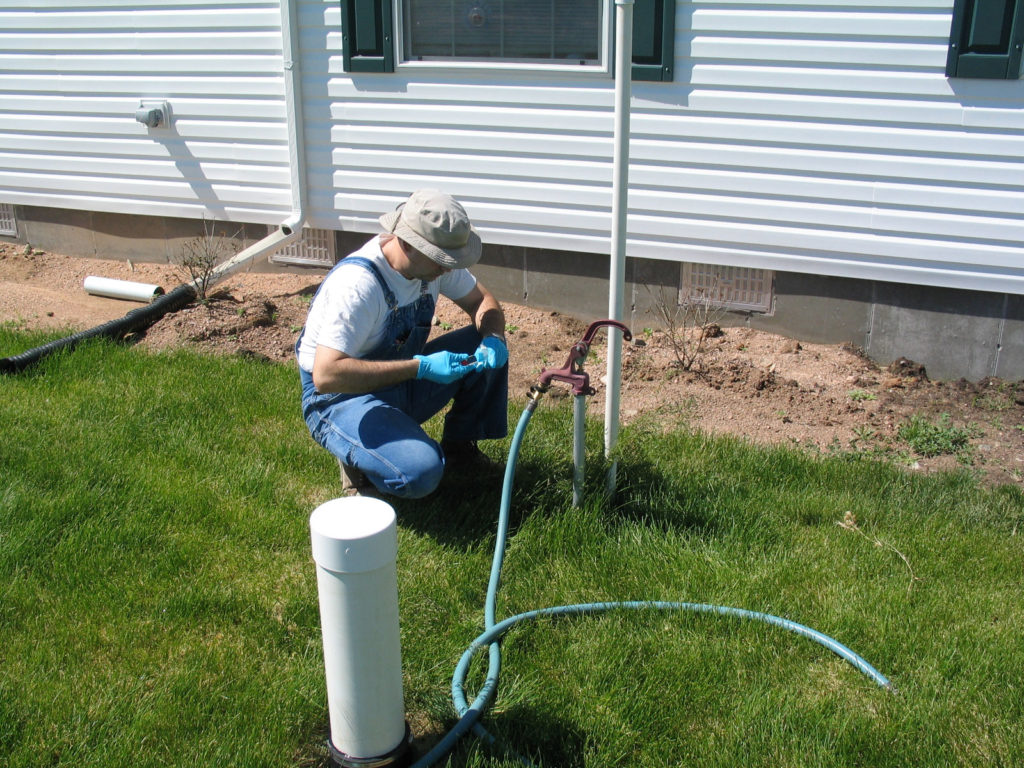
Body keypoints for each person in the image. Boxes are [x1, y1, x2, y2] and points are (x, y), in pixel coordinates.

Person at [296, 189, 509, 499]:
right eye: (441, 260)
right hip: (338, 398)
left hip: (399, 380)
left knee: (482, 336)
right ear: (407, 243)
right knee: (421, 472)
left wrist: (493, 338)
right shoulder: (358, 286)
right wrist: (419, 367)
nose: (448, 268)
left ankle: (461, 448)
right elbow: (327, 376)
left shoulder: (428, 266)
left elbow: (483, 302)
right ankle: (359, 461)